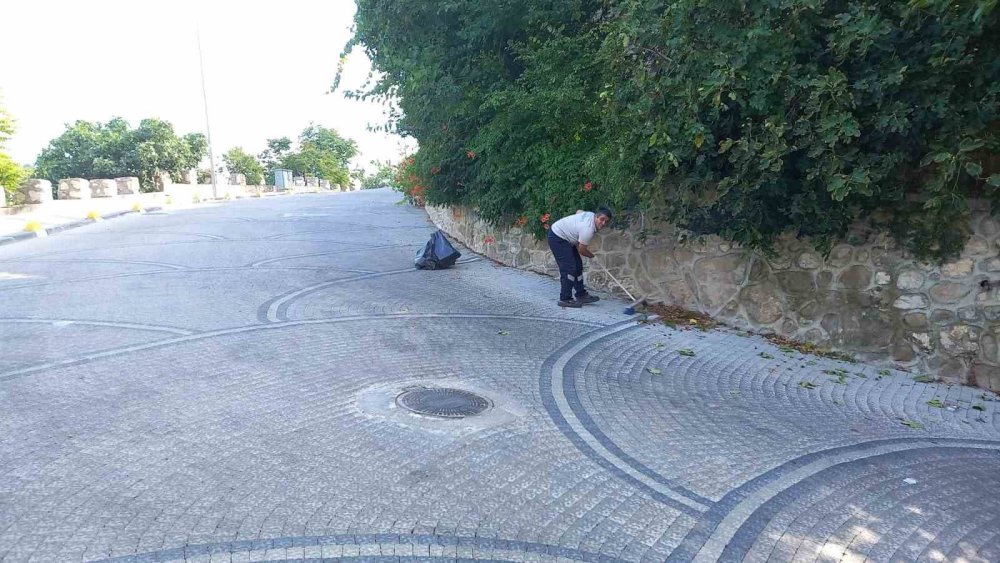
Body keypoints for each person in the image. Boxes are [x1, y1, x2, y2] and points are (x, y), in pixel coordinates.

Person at [547, 207, 613, 308]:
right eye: (602, 219)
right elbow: (582, 250)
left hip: (567, 238)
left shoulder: (590, 214)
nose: (603, 223)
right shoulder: (588, 229)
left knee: (578, 266)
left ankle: (581, 295)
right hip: (557, 237)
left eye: (606, 221)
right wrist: (593, 256)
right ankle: (565, 299)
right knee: (569, 268)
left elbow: (579, 211)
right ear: (596, 217)